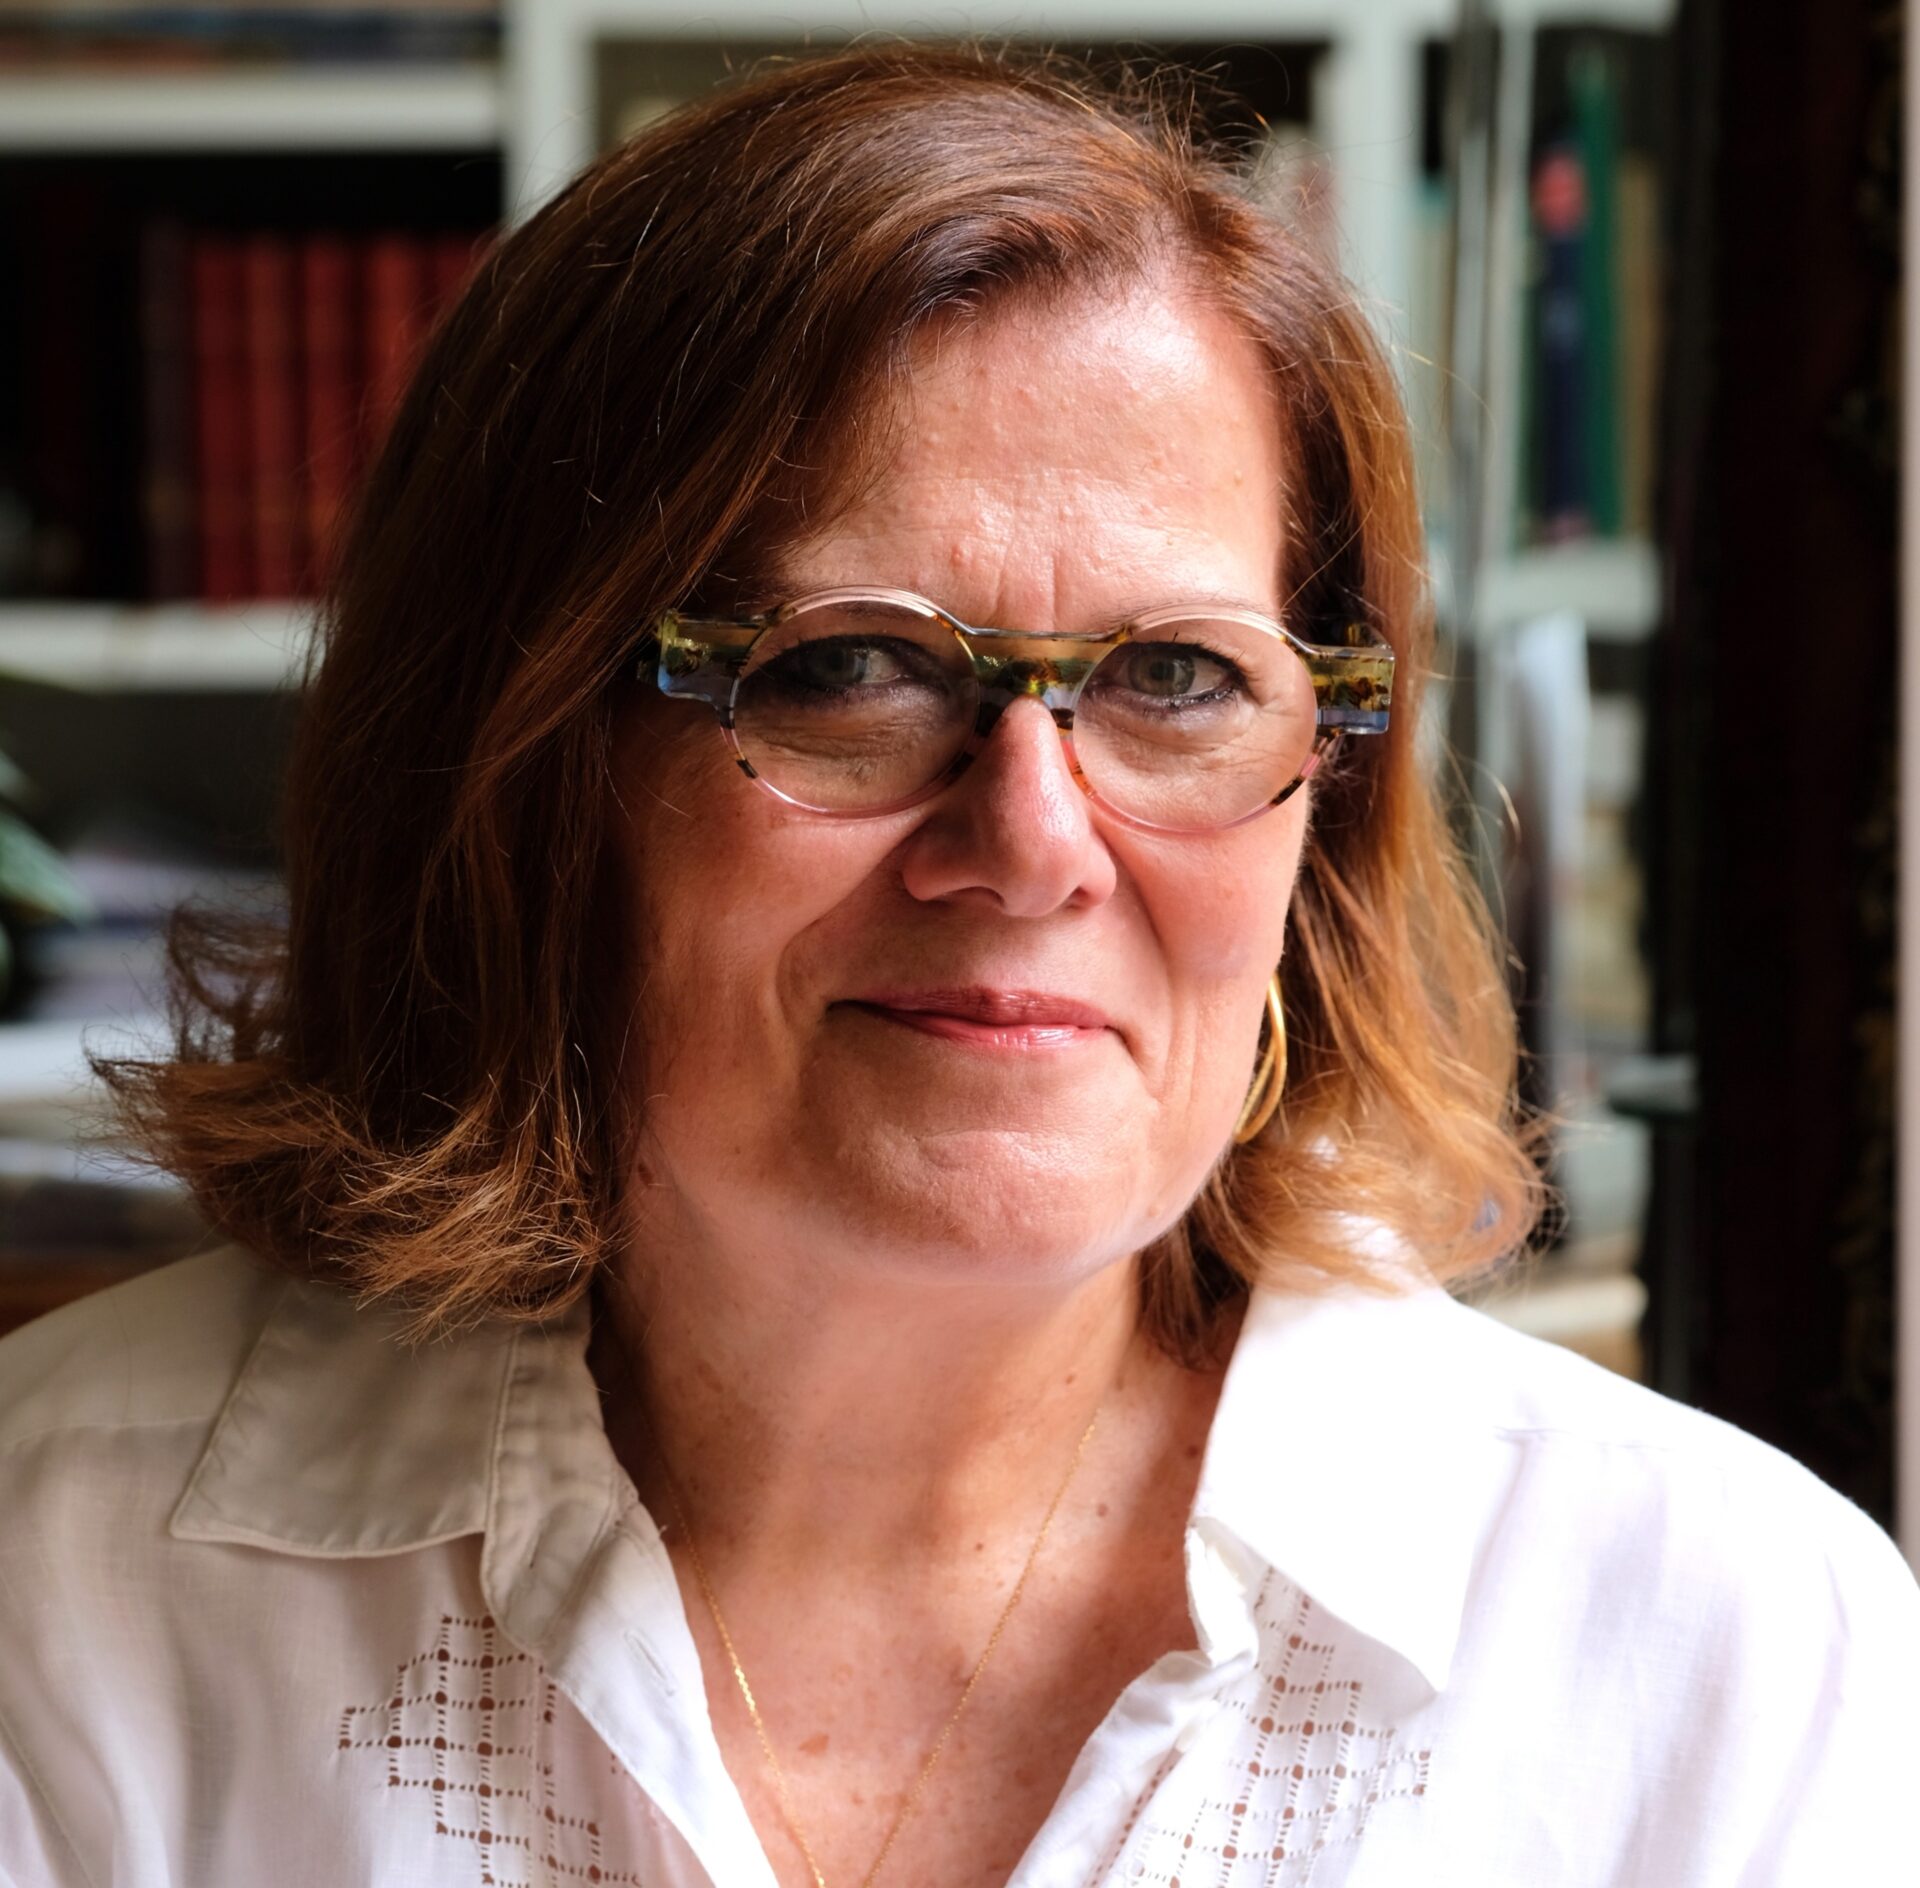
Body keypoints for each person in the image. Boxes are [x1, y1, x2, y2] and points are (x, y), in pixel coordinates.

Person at [1, 41, 1914, 1888]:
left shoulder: (1719, 1648)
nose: (1033, 844)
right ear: (516, 771)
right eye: (846, 667)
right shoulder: (55, 1576)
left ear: (1322, 808)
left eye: (1179, 678)